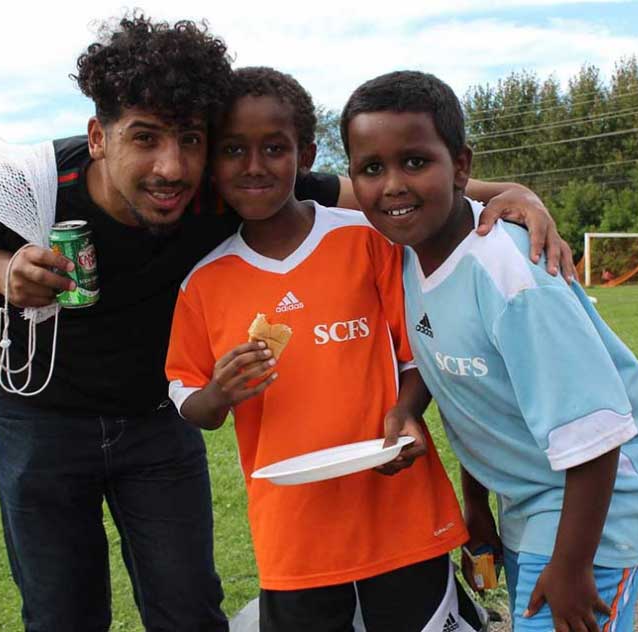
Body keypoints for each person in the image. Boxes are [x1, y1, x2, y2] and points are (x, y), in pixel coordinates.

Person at [0, 13, 571, 632]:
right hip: (43, 419)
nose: (171, 166)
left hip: (154, 421)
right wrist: (4, 273)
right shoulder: (41, 183)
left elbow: (374, 191)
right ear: (97, 138)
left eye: (191, 142)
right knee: (62, 609)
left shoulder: (224, 186)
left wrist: (511, 194)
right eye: (144, 138)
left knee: (188, 605)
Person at [341, 70, 638, 632]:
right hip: (532, 496)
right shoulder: (405, 254)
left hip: (605, 496)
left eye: (416, 162)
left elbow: (597, 434)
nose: (393, 185)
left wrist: (571, 568)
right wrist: (474, 502)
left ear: (462, 166)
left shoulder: (511, 274)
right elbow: (467, 385)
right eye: (372, 169)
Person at [165, 67, 485, 631]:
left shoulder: (368, 241)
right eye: (234, 150)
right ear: (213, 164)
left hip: (401, 519)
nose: (255, 165)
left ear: (306, 153)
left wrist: (405, 411)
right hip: (295, 539)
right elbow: (188, 398)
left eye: (274, 148)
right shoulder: (204, 283)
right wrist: (219, 392)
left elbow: (419, 357)